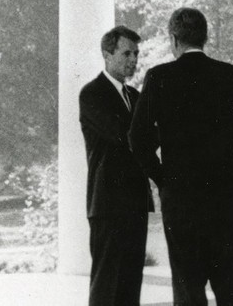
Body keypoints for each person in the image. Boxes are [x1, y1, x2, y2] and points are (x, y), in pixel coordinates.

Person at [129, 8, 233, 306]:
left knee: (188, 290)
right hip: (224, 198)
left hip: (181, 199)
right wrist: (219, 138)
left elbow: (137, 138)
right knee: (229, 288)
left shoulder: (159, 77)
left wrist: (162, 178)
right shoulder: (229, 74)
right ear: (205, 37)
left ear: (173, 40)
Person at [79, 25, 155, 306]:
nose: (133, 60)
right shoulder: (92, 94)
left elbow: (146, 142)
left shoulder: (135, 96)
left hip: (136, 202)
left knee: (130, 285)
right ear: (107, 54)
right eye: (126, 53)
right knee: (106, 286)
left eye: (136, 53)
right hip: (108, 205)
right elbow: (125, 137)